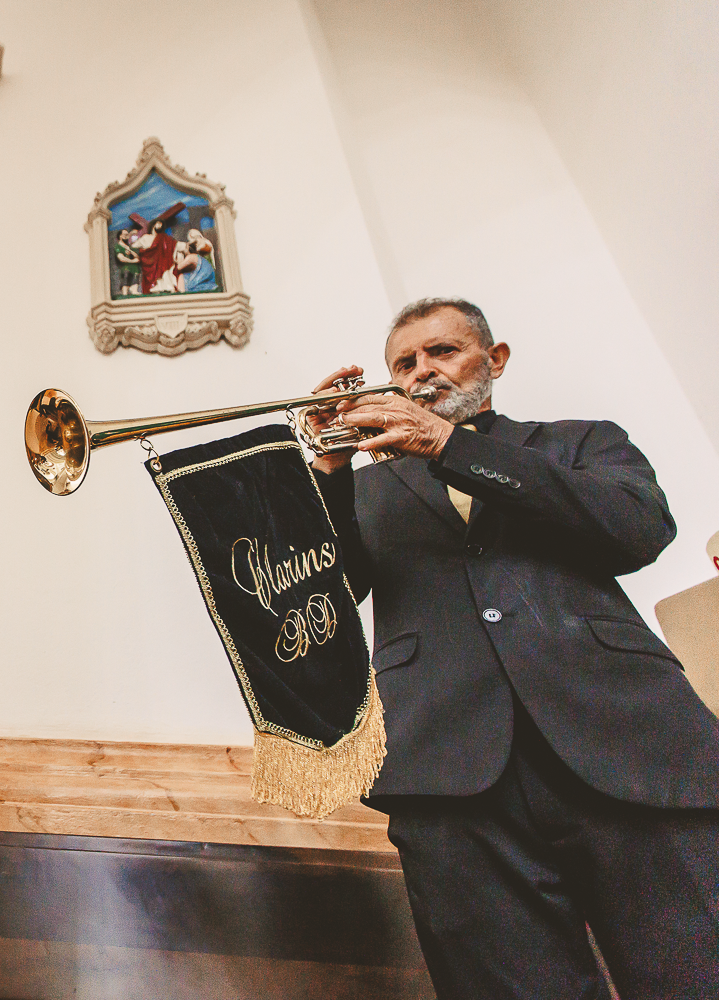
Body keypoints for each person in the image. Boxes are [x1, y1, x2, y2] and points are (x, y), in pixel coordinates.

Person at [308, 298, 719, 999]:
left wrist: (449, 445)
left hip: (629, 746)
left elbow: (639, 529)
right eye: (404, 363)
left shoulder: (579, 442)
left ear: (494, 362)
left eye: (443, 352)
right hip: (447, 770)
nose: (422, 371)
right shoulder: (366, 486)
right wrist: (328, 470)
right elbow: (325, 598)